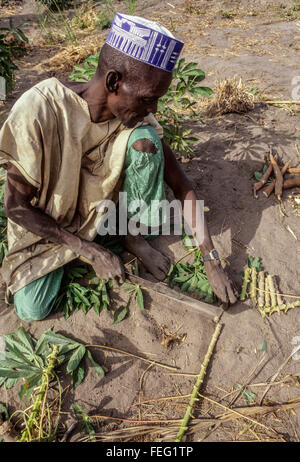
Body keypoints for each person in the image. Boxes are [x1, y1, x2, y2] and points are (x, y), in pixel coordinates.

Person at [0, 13, 238, 322]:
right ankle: (92, 243)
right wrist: (89, 251)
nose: (153, 109)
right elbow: (15, 207)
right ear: (114, 81)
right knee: (32, 308)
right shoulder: (42, 109)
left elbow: (181, 184)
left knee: (146, 142)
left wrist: (211, 258)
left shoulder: (133, 117)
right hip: (52, 221)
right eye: (148, 99)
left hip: (100, 213)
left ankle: (131, 235)